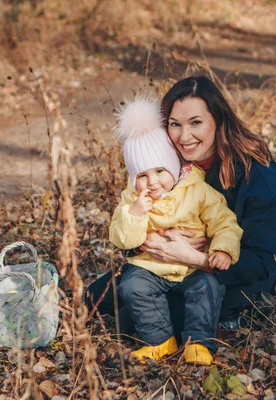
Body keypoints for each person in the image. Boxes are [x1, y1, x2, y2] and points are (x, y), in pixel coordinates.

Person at [86, 74, 276, 344]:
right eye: (175, 125)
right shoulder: (166, 163)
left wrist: (195, 257)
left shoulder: (260, 176)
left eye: (196, 123)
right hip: (162, 263)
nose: (184, 136)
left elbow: (263, 262)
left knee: (129, 322)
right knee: (93, 297)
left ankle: (243, 315)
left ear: (218, 120)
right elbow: (133, 221)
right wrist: (150, 242)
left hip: (229, 278)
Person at [109, 96, 243, 365]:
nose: (152, 181)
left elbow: (224, 222)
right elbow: (121, 238)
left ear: (174, 166)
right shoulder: (131, 200)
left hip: (193, 269)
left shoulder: (198, 190)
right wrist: (134, 214)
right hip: (150, 267)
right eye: (142, 175)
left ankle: (199, 343)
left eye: (160, 170)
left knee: (207, 287)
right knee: (132, 286)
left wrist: (223, 250)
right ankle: (159, 341)